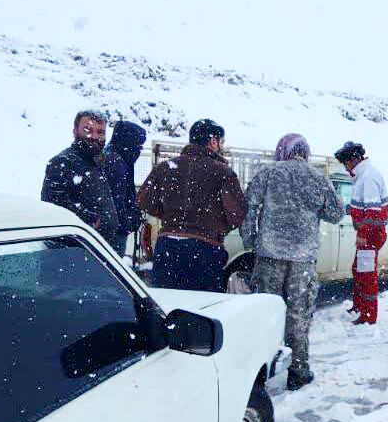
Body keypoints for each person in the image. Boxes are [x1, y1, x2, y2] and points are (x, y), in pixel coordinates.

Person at [242, 133, 344, 390]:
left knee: (265, 313)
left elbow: (248, 206)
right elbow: (335, 213)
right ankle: (298, 370)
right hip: (303, 261)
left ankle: (257, 373)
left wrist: (251, 240)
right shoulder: (318, 178)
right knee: (299, 315)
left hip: (269, 258)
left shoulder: (268, 173)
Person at [137, 118, 246, 291]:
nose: (222, 147)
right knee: (203, 307)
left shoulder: (165, 168)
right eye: (221, 142)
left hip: (168, 246)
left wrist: (170, 216)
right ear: (213, 141)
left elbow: (144, 200)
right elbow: (238, 213)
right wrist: (217, 225)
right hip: (206, 249)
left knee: (167, 305)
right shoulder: (223, 173)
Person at [41, 110, 120, 246]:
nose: (94, 137)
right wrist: (90, 219)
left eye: (100, 132)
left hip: (98, 249)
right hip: (72, 253)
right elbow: (53, 204)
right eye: (87, 130)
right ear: (75, 131)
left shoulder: (97, 162)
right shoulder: (63, 162)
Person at [334, 141, 388, 325]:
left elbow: (372, 211)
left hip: (371, 234)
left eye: (346, 163)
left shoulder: (368, 177)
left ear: (354, 160)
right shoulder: (362, 176)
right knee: (358, 270)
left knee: (366, 275)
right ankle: (359, 306)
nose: (346, 167)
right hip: (368, 233)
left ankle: (368, 315)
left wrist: (363, 233)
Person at [104, 120, 147, 257]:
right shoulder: (117, 163)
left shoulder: (115, 157)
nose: (139, 150)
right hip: (115, 233)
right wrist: (128, 223)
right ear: (128, 142)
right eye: (138, 146)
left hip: (112, 230)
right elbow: (117, 201)